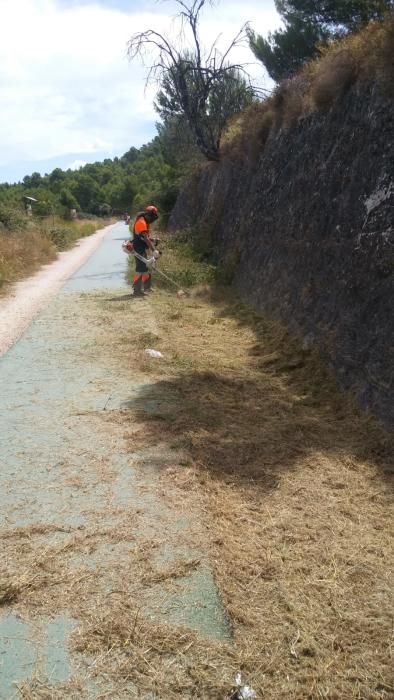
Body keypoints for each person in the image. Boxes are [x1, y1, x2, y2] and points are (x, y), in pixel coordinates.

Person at [130, 205, 159, 296]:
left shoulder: (145, 221)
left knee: (145, 268)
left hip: (141, 247)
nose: (153, 219)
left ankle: (147, 288)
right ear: (149, 215)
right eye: (153, 217)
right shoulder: (141, 222)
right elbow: (145, 238)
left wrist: (154, 240)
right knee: (140, 268)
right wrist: (154, 250)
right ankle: (137, 290)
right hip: (138, 248)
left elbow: (145, 237)